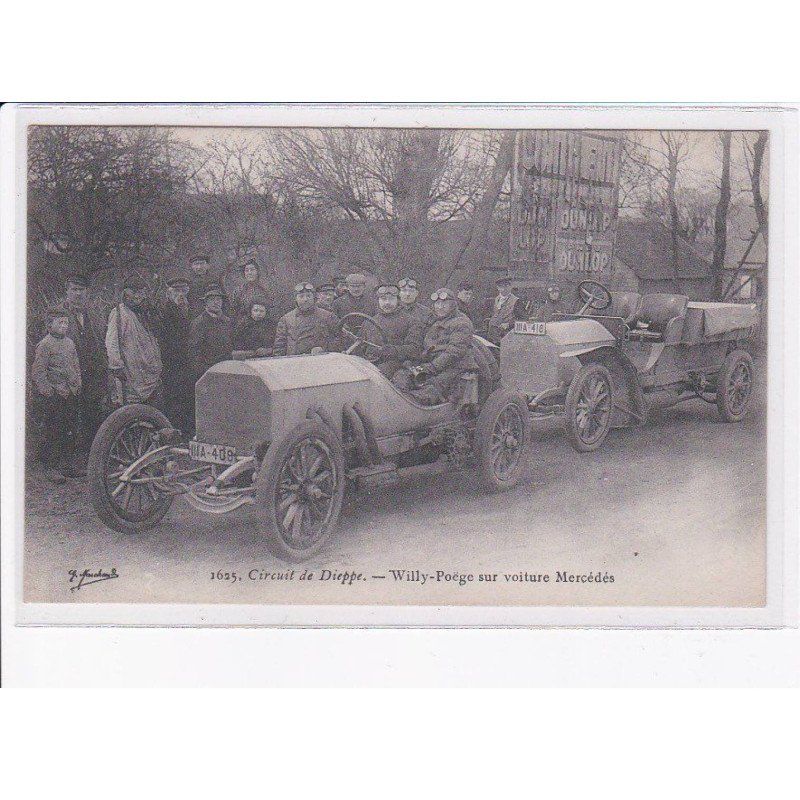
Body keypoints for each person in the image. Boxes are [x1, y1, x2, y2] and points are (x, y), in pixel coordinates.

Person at [392, 288, 476, 406]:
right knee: (401, 377)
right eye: (437, 303)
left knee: (430, 389)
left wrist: (431, 367)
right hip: (430, 363)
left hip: (454, 367)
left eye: (444, 303)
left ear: (453, 304)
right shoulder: (432, 320)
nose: (440, 307)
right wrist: (412, 360)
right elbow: (419, 341)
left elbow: (455, 352)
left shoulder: (462, 323)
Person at [53, 274, 107, 449]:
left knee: (92, 415)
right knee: (66, 417)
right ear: (67, 291)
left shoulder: (94, 315)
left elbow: (102, 343)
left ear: (87, 292)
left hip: (92, 375)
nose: (78, 294)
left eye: (81, 290)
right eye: (74, 289)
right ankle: (65, 457)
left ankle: (90, 454)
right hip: (67, 375)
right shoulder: (56, 315)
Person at [32, 308, 83, 483]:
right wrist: (49, 392)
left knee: (70, 430)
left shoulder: (70, 343)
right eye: (59, 322)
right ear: (49, 325)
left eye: (66, 322)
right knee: (54, 431)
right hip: (55, 396)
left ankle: (67, 465)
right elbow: (38, 372)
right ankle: (51, 467)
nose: (64, 326)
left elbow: (76, 366)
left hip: (71, 394)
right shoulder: (45, 345)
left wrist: (77, 384)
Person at [106, 276, 163, 407]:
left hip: (148, 373)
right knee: (132, 408)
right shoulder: (120, 313)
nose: (137, 296)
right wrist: (116, 366)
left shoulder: (143, 313)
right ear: (125, 293)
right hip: (132, 373)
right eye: (134, 292)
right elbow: (112, 342)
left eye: (141, 292)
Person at [361, 283, 422, 379]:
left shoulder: (411, 321)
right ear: (378, 301)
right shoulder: (369, 322)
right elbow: (359, 345)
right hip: (369, 363)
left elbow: (415, 349)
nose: (387, 303)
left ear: (398, 300)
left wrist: (394, 350)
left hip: (397, 365)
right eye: (383, 299)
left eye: (391, 299)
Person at [157, 277, 193, 434]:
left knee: (187, 397)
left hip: (187, 361)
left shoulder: (189, 309)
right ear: (169, 293)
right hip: (171, 362)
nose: (180, 295)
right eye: (177, 291)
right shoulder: (165, 312)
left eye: (183, 291)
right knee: (174, 398)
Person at [273, 283, 341, 357]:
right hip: (294, 361)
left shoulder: (328, 316)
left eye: (308, 296)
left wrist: (325, 348)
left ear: (314, 297)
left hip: (320, 360)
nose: (305, 299)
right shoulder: (286, 319)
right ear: (296, 299)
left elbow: (341, 338)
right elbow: (279, 346)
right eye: (301, 296)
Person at [188, 285, 233, 381]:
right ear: (206, 302)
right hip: (207, 372)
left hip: (226, 369)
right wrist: (204, 371)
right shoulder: (199, 323)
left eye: (218, 299)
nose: (216, 302)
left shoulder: (227, 321)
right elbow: (194, 352)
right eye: (212, 299)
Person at [230, 257, 271, 322]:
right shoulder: (238, 290)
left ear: (257, 272)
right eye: (247, 270)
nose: (249, 273)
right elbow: (233, 310)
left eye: (252, 270)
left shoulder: (264, 290)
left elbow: (268, 311)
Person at [487, 276, 523, 344]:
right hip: (493, 335)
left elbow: (523, 320)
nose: (504, 289)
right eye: (501, 286)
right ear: (497, 288)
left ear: (510, 286)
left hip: (507, 336)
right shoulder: (496, 299)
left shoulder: (516, 301)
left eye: (506, 286)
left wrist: (509, 324)